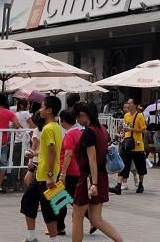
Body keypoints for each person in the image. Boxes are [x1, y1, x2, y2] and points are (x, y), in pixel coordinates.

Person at [71, 102, 123, 242]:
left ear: (83, 115)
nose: (77, 120)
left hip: (88, 178)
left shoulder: (89, 132)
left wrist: (93, 184)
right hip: (101, 176)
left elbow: (92, 159)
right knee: (96, 219)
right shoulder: (102, 130)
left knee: (77, 216)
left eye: (77, 117)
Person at [20, 96, 63, 242]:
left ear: (49, 110)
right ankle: (31, 237)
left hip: (46, 176)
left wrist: (50, 175)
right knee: (28, 202)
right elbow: (48, 151)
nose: (40, 110)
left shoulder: (48, 129)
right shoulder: (56, 127)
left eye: (42, 107)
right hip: (42, 174)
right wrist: (35, 154)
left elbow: (52, 152)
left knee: (48, 209)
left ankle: (53, 240)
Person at [56, 110, 95, 236]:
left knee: (60, 199)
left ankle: (60, 227)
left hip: (69, 171)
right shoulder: (78, 132)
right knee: (75, 200)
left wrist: (63, 173)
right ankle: (93, 220)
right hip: (77, 170)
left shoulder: (69, 134)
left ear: (63, 120)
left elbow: (68, 154)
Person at [110, 99, 147, 194]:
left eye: (130, 103)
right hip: (126, 144)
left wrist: (131, 130)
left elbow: (143, 130)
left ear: (135, 105)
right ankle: (118, 186)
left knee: (140, 167)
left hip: (137, 146)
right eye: (127, 103)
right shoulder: (126, 115)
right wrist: (122, 135)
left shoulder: (139, 116)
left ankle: (140, 184)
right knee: (123, 165)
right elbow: (125, 128)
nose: (128, 105)